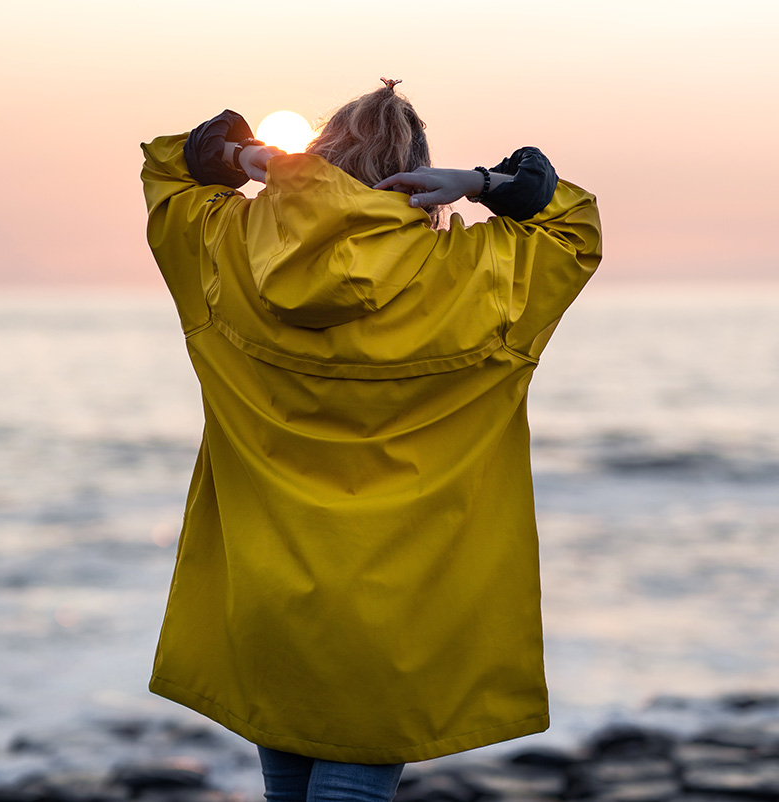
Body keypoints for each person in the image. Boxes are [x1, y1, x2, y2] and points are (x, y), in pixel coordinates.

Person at [140, 80, 602, 802]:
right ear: (417, 177)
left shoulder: (222, 253)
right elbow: (572, 221)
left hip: (268, 599)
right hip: (401, 619)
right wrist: (480, 182)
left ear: (314, 158)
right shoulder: (480, 277)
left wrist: (246, 155)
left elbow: (171, 166)